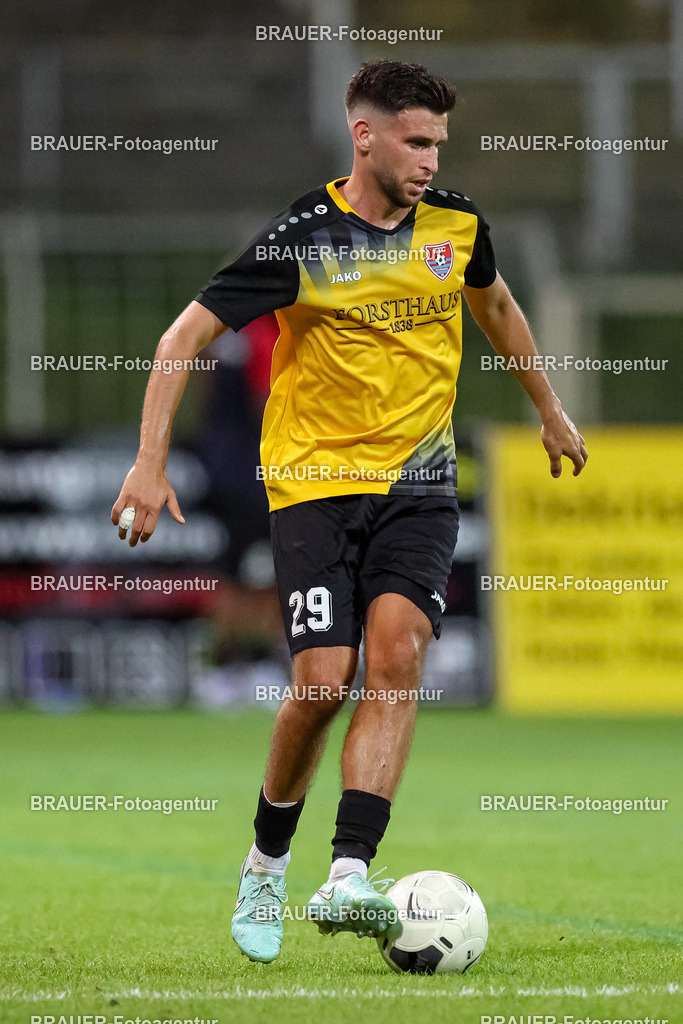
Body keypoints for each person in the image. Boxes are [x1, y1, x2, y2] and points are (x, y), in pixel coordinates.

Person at [112, 59, 588, 964]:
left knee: (400, 651)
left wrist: (549, 408)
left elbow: (494, 303)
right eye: (414, 140)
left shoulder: (455, 225)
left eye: (437, 142)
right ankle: (265, 861)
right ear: (362, 135)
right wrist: (147, 464)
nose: (428, 158)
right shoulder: (303, 238)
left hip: (420, 481)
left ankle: (348, 874)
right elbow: (182, 338)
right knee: (323, 681)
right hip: (314, 487)